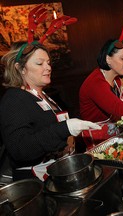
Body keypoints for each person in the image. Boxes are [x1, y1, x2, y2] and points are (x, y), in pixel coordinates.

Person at [0, 41, 100, 181]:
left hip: (59, 172)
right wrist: (65, 129)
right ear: (20, 68)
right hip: (36, 183)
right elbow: (20, 149)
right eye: (40, 64)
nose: (48, 67)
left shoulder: (44, 95)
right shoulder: (14, 99)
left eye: (48, 62)